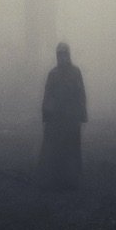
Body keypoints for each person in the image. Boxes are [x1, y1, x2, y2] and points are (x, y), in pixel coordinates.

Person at [39, 41, 88, 191]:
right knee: (56, 149)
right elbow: (48, 95)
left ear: (68, 55)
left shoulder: (75, 72)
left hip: (71, 117)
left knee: (72, 149)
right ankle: (56, 178)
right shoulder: (53, 74)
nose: (62, 57)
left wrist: (82, 113)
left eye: (64, 54)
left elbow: (81, 93)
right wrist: (47, 114)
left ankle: (71, 180)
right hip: (57, 118)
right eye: (60, 54)